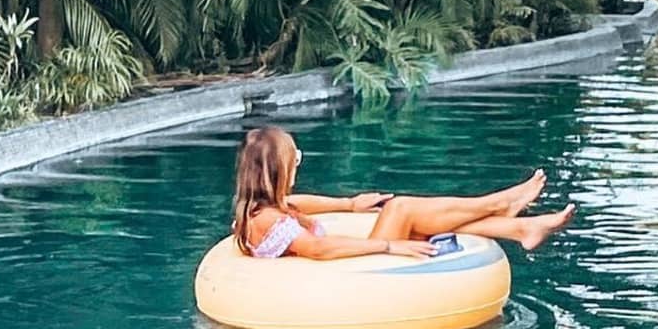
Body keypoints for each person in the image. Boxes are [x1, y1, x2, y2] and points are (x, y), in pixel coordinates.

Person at [232, 125, 575, 260]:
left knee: (421, 219)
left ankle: (521, 228)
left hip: (346, 271)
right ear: (279, 169)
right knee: (402, 210)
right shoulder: (267, 221)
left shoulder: (275, 208)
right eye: (295, 160)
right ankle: (501, 201)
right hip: (342, 284)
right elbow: (319, 249)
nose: (298, 166)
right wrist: (390, 244)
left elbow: (303, 202)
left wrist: (350, 204)